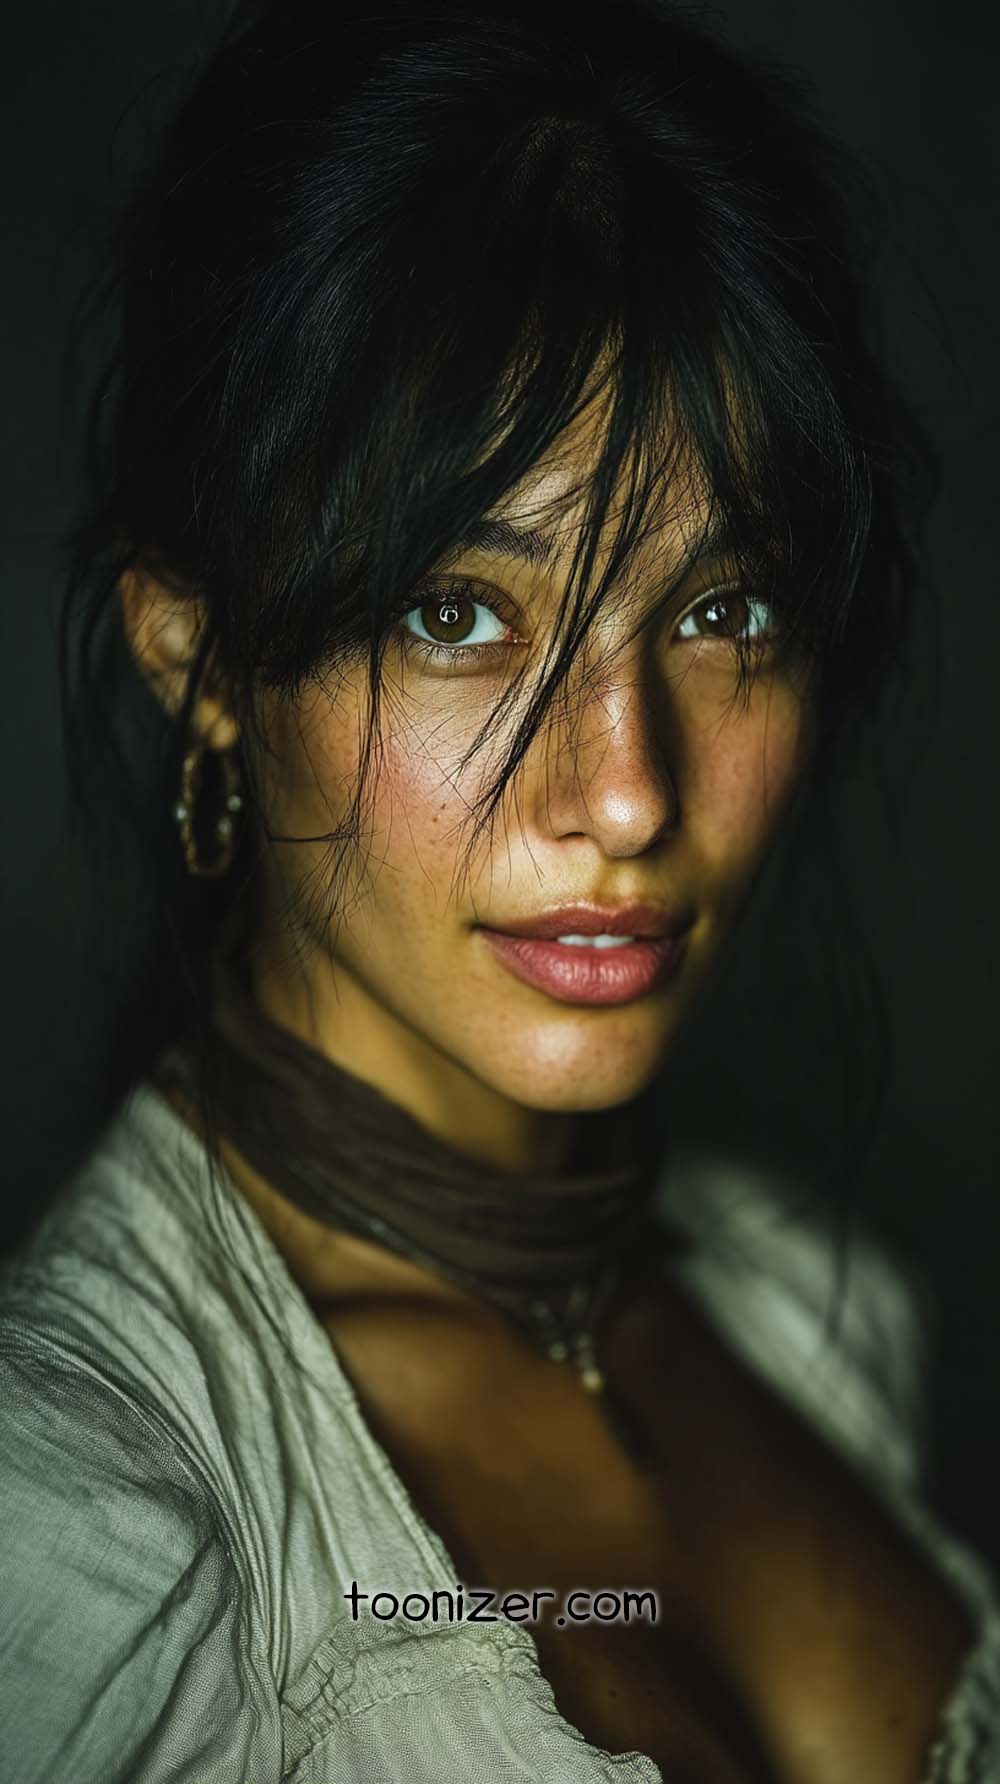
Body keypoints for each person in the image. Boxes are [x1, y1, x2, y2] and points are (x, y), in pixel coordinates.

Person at [1, 0, 997, 1778]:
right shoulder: (81, 1522)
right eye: (459, 613)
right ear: (201, 655)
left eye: (722, 611)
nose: (625, 789)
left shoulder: (821, 1316)